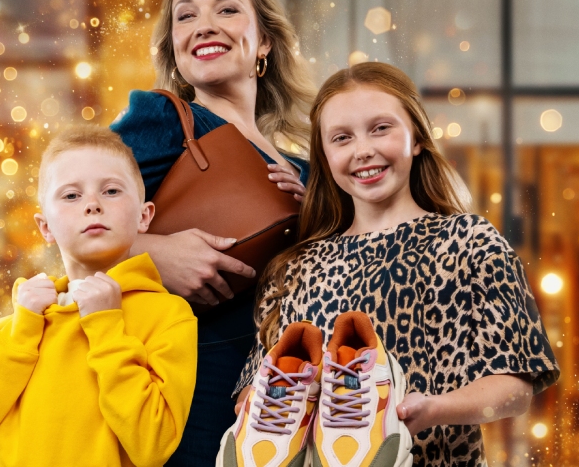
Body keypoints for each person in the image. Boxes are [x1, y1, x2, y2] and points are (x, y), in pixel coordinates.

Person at [236, 62, 559, 466]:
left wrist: (433, 409)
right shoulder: (293, 268)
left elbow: (515, 387)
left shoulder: (470, 242)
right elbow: (253, 396)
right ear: (324, 155)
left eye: (380, 128)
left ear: (417, 138)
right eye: (341, 138)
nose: (363, 150)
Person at [111, 0, 315, 465]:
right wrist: (154, 251)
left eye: (227, 10)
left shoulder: (308, 168)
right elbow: (69, 221)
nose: (204, 25)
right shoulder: (161, 119)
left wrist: (317, 211)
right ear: (174, 46)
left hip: (291, 399)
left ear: (264, 40)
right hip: (191, 389)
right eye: (186, 15)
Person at [0, 125, 198, 467]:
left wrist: (106, 328)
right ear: (44, 227)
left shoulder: (168, 316)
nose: (92, 204)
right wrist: (21, 337)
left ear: (144, 216)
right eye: (71, 195)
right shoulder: (10, 328)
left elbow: (153, 445)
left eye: (112, 191)